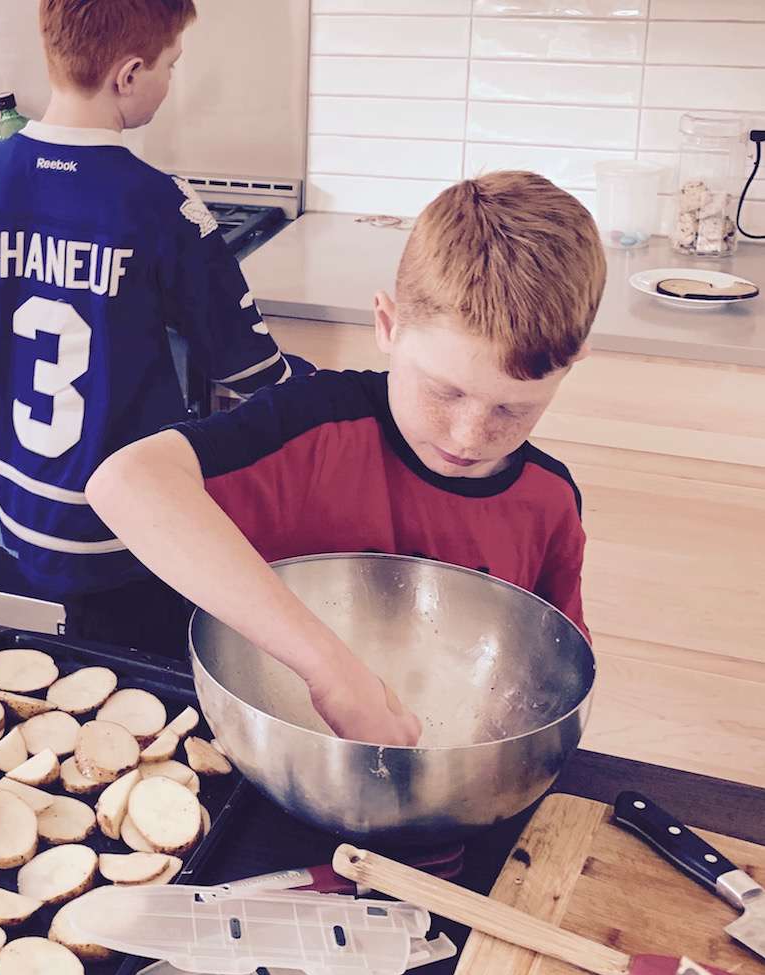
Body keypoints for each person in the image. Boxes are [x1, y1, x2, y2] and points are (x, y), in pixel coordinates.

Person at [87, 171, 605, 745]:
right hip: (259, 749)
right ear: (387, 326)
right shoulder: (313, 425)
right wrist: (328, 668)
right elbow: (124, 481)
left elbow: (546, 684)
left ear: (573, 366)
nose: (469, 436)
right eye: (444, 392)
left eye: (514, 410)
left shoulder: (548, 503)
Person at [0, 0, 304, 658]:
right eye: (171, 66)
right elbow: (246, 369)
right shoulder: (161, 204)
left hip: (18, 508)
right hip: (125, 527)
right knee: (133, 682)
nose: (172, 82)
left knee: (66, 668)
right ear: (129, 74)